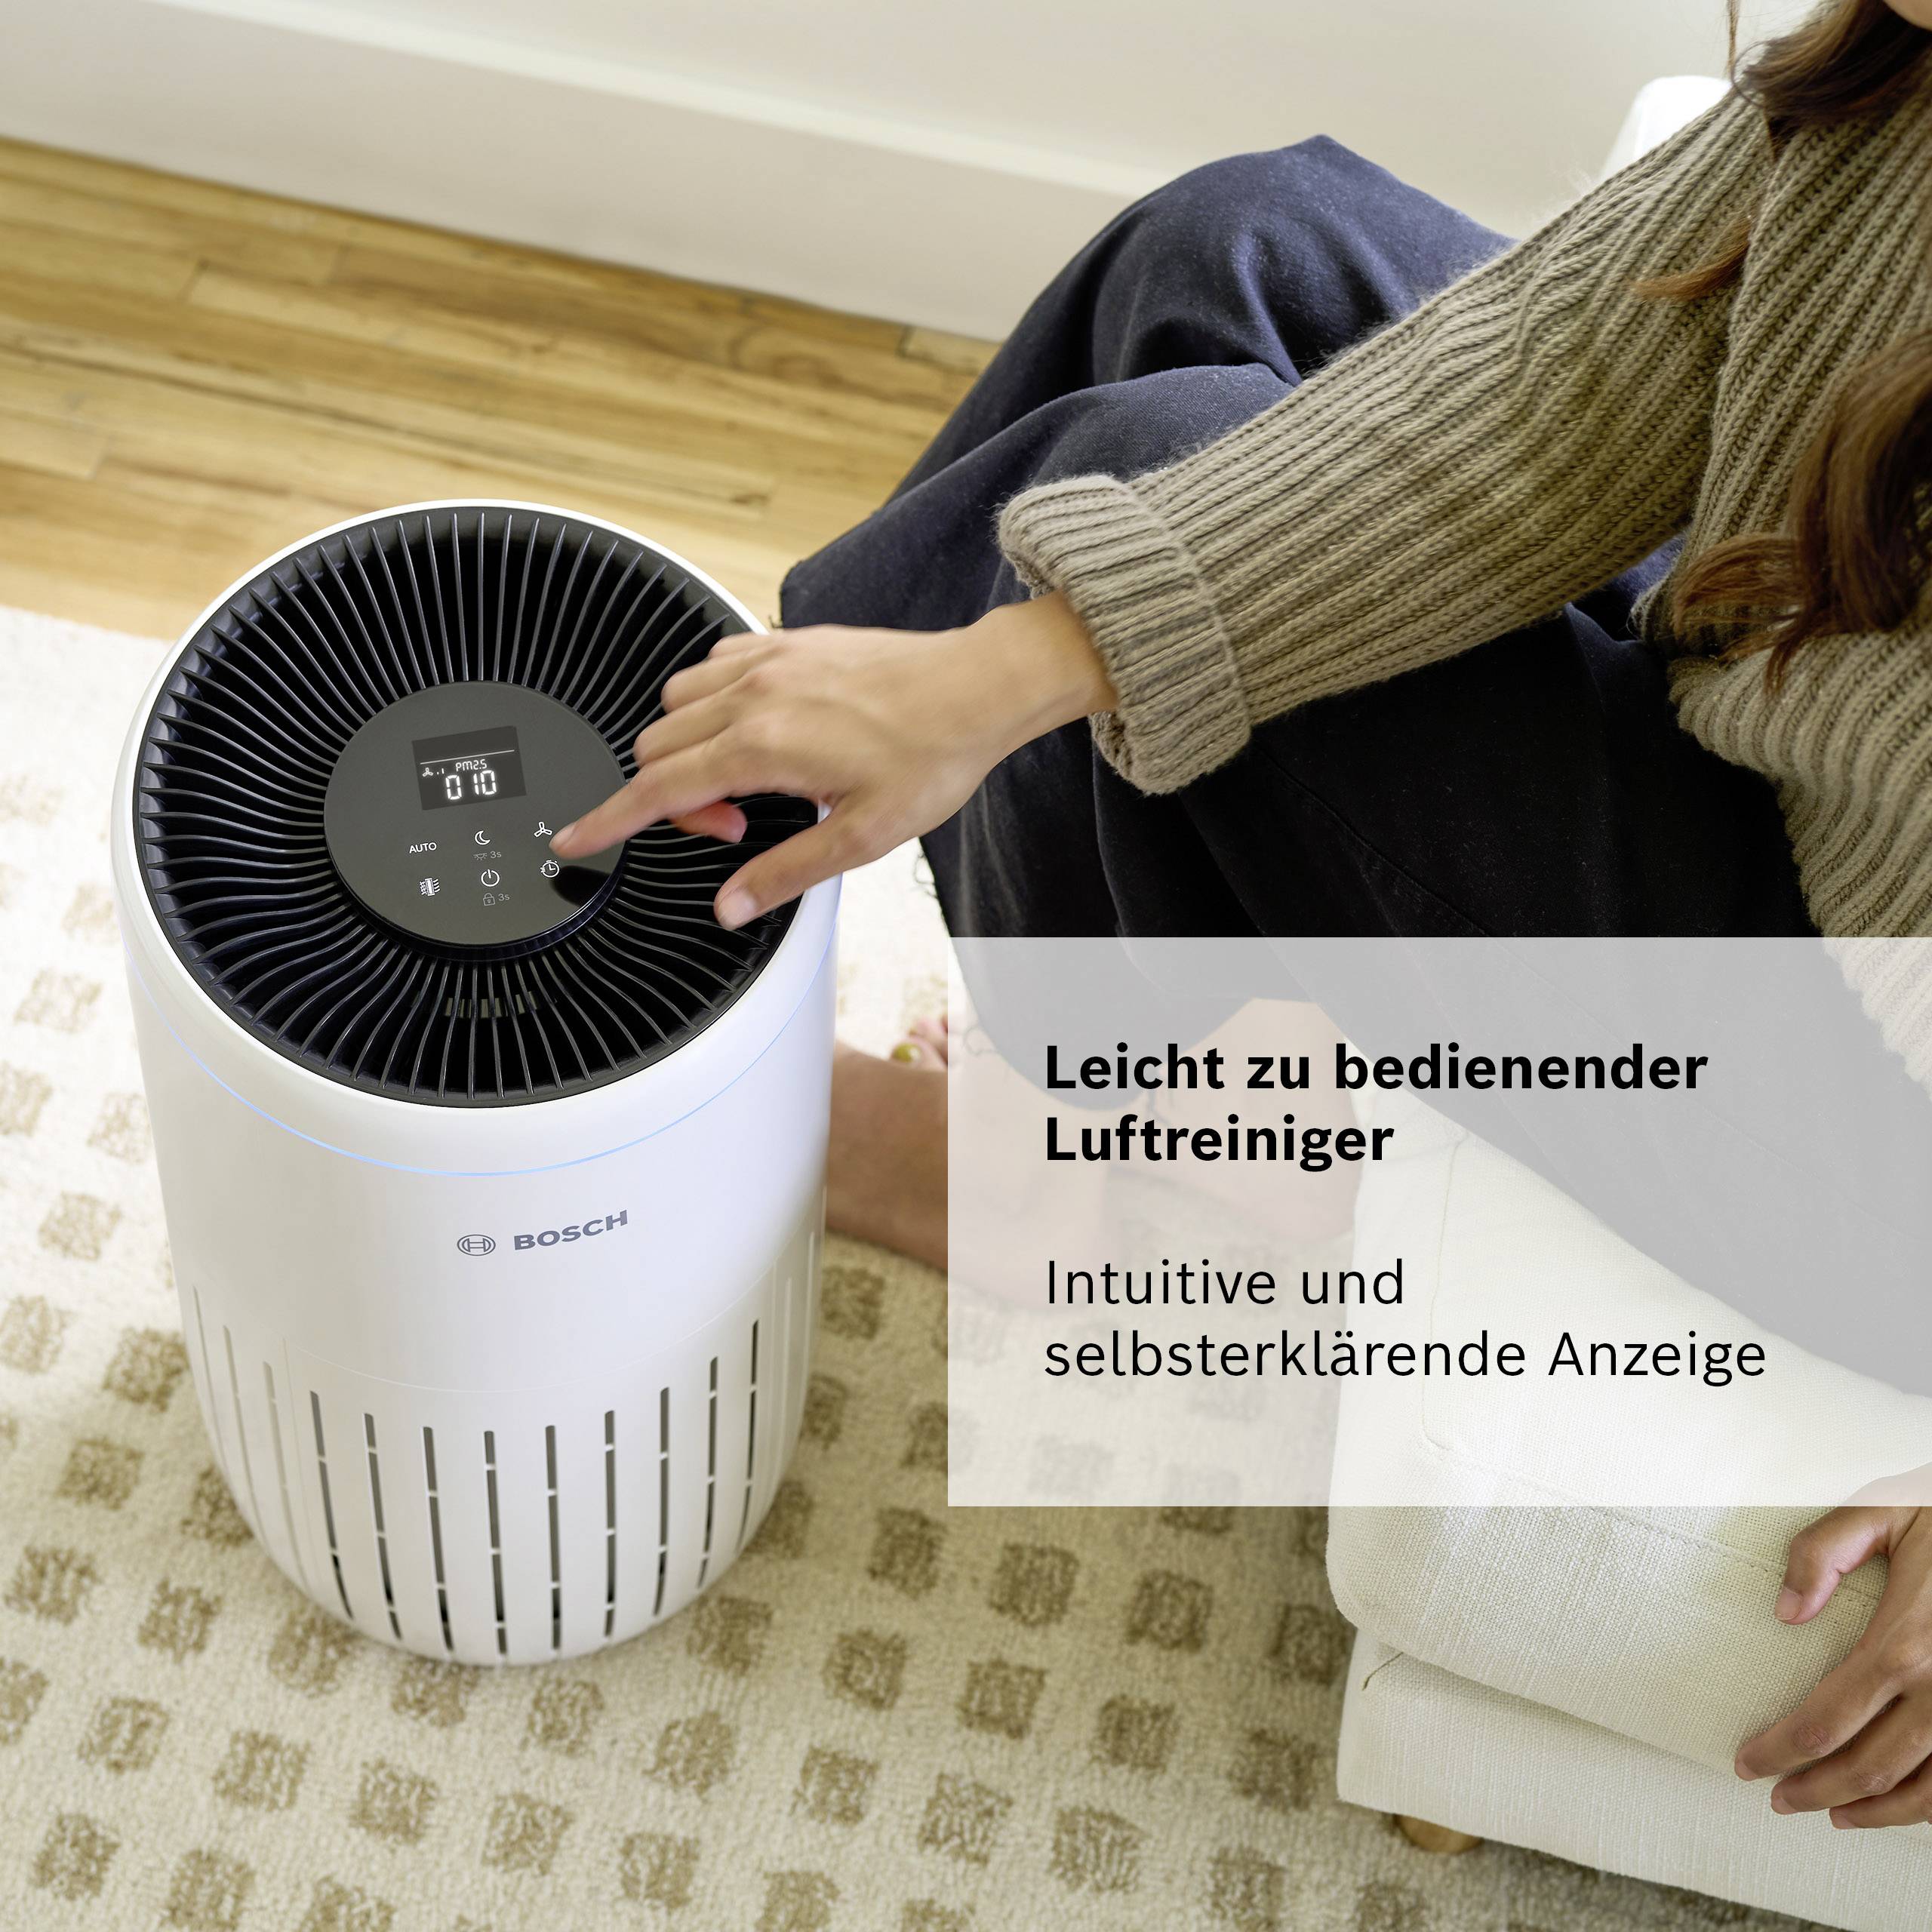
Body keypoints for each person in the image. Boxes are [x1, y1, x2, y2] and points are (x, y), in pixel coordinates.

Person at [552, 0, 1932, 1834]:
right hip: (1823, 697)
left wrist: (1022, 667)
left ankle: (1093, 1155)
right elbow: (1561, 379)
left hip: (1874, 1131)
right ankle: (830, 861)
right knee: (1237, 244)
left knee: (1137, 473)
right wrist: (981, 672)